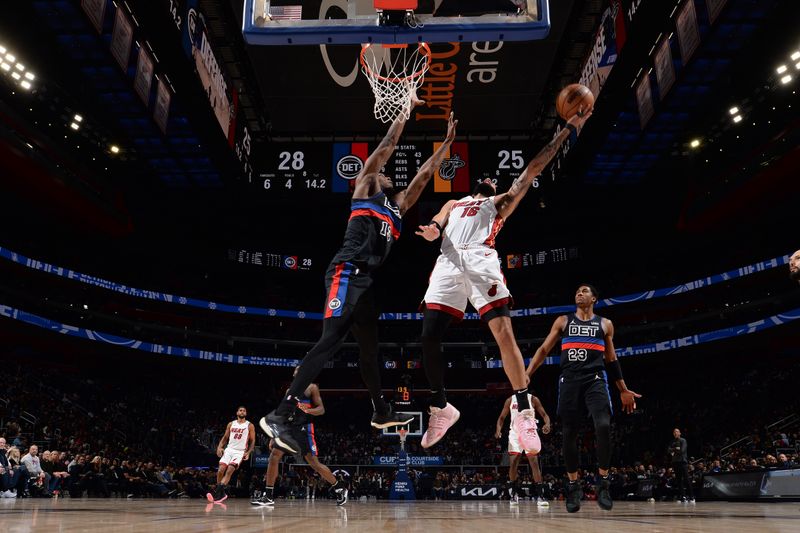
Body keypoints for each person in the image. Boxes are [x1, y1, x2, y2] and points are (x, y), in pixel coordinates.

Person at [261, 98, 459, 454]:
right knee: (332, 338)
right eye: (383, 172)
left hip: (366, 283)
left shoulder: (396, 209)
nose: (387, 174)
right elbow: (386, 148)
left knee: (370, 349)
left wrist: (446, 145)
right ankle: (281, 411)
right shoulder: (365, 187)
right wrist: (405, 112)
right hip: (346, 271)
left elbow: (424, 176)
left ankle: (380, 411)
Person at [415, 109, 592, 450]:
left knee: (503, 333)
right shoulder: (454, 202)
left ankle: (523, 410)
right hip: (448, 261)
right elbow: (437, 222)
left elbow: (532, 169)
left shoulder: (500, 203)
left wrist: (568, 128)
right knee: (428, 337)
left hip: (481, 258)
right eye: (487, 179)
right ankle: (442, 406)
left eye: (494, 180)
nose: (490, 181)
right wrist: (432, 230)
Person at [527, 284, 641, 513]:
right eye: (577, 291)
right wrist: (527, 374)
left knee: (603, 425)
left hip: (595, 379)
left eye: (585, 291)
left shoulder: (605, 324)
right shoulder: (563, 321)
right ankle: (572, 486)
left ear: (594, 299)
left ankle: (603, 483)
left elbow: (612, 359)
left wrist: (623, 389)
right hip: (569, 380)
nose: (579, 293)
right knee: (569, 433)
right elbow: (543, 349)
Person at [252, 370, 348, 506]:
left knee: (313, 463)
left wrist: (307, 410)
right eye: (296, 371)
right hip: (288, 428)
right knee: (274, 456)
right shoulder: (289, 391)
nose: (298, 372)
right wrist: (275, 436)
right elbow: (283, 414)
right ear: (294, 375)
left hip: (304, 429)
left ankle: (339, 487)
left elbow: (321, 410)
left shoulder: (312, 388)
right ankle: (268, 496)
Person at [495, 390, 551, 506]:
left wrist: (547, 424)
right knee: (514, 462)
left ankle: (540, 496)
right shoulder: (510, 400)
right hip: (515, 434)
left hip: (529, 431)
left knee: (534, 463)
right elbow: (501, 418)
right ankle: (513, 494)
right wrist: (498, 430)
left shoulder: (533, 399)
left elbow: (545, 415)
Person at [207, 406, 255, 503]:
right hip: (229, 449)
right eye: (240, 410)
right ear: (237, 412)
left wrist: (249, 452)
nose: (242, 412)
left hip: (240, 451)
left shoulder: (249, 425)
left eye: (244, 411)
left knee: (229, 470)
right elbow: (225, 437)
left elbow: (253, 440)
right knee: (220, 471)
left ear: (246, 413)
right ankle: (221, 493)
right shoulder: (231, 424)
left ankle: (218, 493)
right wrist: (219, 447)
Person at [668, 428, 695, 503]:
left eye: (677, 431)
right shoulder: (672, 441)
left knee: (686, 479)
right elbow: (668, 450)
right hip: (675, 463)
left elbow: (682, 451)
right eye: (674, 432)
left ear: (680, 433)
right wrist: (675, 449)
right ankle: (683, 497)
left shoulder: (683, 440)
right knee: (679, 481)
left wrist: (673, 450)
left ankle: (692, 496)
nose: (675, 433)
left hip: (683, 462)